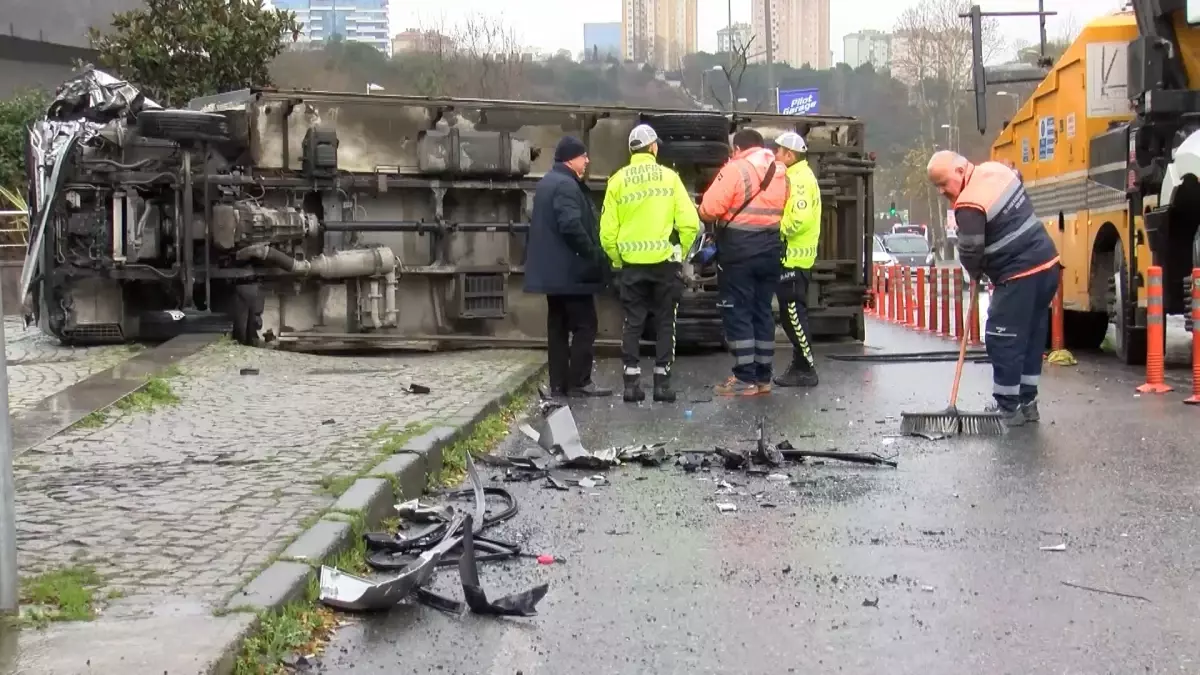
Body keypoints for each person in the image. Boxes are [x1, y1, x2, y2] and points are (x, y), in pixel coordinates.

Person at [927, 150, 1060, 426]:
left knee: (1003, 337)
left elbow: (970, 248)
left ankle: (1007, 407)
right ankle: (1027, 403)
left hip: (1020, 273)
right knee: (1031, 337)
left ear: (961, 171)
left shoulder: (969, 202)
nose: (942, 191)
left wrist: (974, 271)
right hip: (1048, 265)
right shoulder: (999, 171)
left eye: (943, 183)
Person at [599, 124, 700, 403]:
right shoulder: (669, 178)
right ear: (653, 147)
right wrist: (680, 253)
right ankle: (662, 384)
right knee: (666, 322)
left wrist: (619, 261)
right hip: (664, 265)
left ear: (631, 150)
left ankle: (631, 384)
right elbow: (690, 223)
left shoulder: (617, 181)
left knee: (633, 322)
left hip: (631, 266)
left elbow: (607, 234)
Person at [699, 129, 790, 396]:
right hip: (771, 248)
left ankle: (744, 378)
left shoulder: (736, 169)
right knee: (762, 311)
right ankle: (763, 377)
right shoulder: (781, 172)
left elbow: (709, 208)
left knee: (738, 311)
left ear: (738, 149)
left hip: (739, 250)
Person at [525, 136, 613, 398]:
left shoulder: (547, 183)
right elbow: (571, 225)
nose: (587, 160)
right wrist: (593, 253)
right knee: (586, 325)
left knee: (558, 329)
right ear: (570, 158)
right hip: (570, 273)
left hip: (553, 275)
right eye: (583, 156)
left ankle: (558, 384)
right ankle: (580, 382)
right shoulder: (566, 185)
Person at [772, 131, 822, 387]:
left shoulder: (799, 180)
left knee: (793, 316)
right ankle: (800, 364)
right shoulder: (797, 175)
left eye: (778, 152)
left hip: (794, 259)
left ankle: (806, 367)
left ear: (789, 155)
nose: (775, 156)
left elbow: (799, 219)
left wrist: (777, 229)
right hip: (794, 258)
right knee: (791, 315)